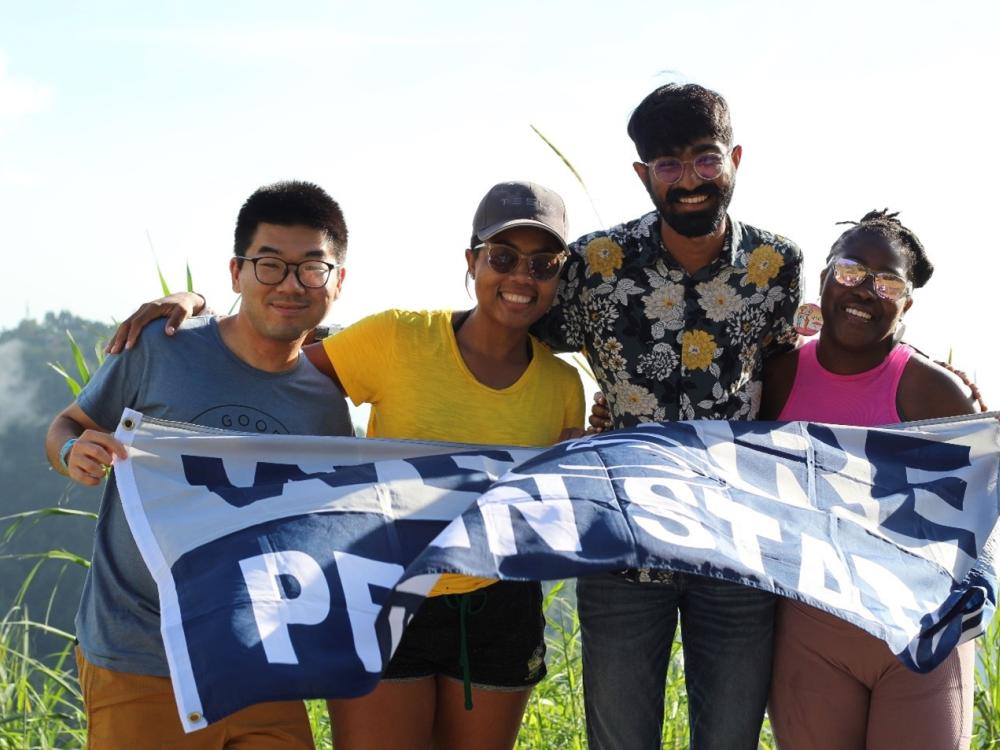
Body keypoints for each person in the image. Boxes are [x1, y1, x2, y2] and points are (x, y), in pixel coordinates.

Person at [105, 180, 586, 750]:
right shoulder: (398, 337)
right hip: (383, 591)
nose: (521, 277)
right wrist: (200, 311)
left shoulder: (563, 385)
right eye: (502, 258)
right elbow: (272, 368)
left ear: (560, 274)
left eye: (543, 263)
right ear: (472, 261)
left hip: (500, 606)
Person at [531, 82, 803, 748]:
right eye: (669, 166)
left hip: (739, 546)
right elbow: (516, 337)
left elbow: (793, 366)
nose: (689, 181)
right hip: (622, 545)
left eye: (706, 160)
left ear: (735, 157)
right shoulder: (594, 264)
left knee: (730, 738)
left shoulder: (776, 266)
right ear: (642, 173)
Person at [45, 180, 354, 749]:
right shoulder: (159, 348)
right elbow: (66, 425)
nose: (289, 284)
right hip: (141, 657)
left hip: (262, 665)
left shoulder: (326, 401)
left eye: (312, 268)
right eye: (269, 265)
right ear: (235, 273)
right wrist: (73, 453)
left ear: (337, 281)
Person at [761, 210, 977, 749]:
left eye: (888, 282)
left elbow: (980, 507)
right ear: (825, 278)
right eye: (853, 270)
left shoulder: (935, 392)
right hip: (810, 632)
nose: (866, 290)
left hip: (920, 638)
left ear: (906, 303)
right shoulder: (777, 378)